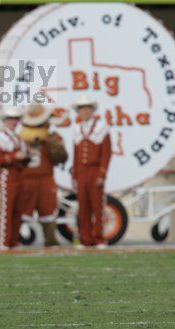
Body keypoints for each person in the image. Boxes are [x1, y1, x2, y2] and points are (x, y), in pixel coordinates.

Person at [18, 104, 68, 247]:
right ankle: (19, 237)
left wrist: (54, 145)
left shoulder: (53, 137)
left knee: (48, 209)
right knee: (23, 209)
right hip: (27, 178)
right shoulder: (22, 136)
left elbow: (62, 158)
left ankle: (50, 239)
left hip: (46, 177)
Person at [71, 95, 112, 249]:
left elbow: (106, 153)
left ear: (92, 110)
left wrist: (102, 173)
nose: (85, 111)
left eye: (87, 108)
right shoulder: (76, 129)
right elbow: (75, 155)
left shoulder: (102, 128)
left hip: (95, 170)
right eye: (82, 109)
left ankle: (99, 239)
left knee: (97, 206)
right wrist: (74, 175)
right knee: (83, 207)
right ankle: (85, 239)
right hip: (81, 171)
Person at [0, 107, 27, 249]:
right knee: (7, 209)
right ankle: (2, 242)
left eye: (16, 119)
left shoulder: (19, 138)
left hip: (19, 174)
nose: (13, 121)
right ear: (5, 121)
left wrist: (28, 156)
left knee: (18, 209)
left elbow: (23, 159)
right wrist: (14, 157)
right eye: (11, 119)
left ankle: (14, 240)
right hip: (7, 174)